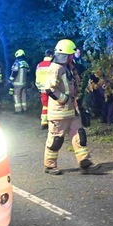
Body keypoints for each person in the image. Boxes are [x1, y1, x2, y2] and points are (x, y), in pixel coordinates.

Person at [42, 39, 95, 175]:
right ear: (65, 55)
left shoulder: (68, 66)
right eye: (71, 54)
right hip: (59, 111)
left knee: (80, 135)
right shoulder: (55, 69)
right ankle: (50, 165)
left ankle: (84, 161)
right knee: (56, 139)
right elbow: (50, 89)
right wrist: (64, 99)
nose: (73, 56)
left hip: (72, 109)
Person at [35, 49, 54, 129]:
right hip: (51, 89)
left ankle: (44, 122)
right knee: (53, 105)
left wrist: (39, 87)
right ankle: (52, 122)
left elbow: (37, 78)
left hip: (42, 89)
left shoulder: (39, 65)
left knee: (45, 106)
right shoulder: (53, 64)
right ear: (51, 55)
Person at [9, 49, 31, 114]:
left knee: (16, 95)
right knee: (23, 95)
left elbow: (14, 72)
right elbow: (28, 74)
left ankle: (18, 110)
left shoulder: (17, 63)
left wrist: (10, 79)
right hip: (24, 83)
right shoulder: (26, 63)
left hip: (17, 83)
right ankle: (24, 109)